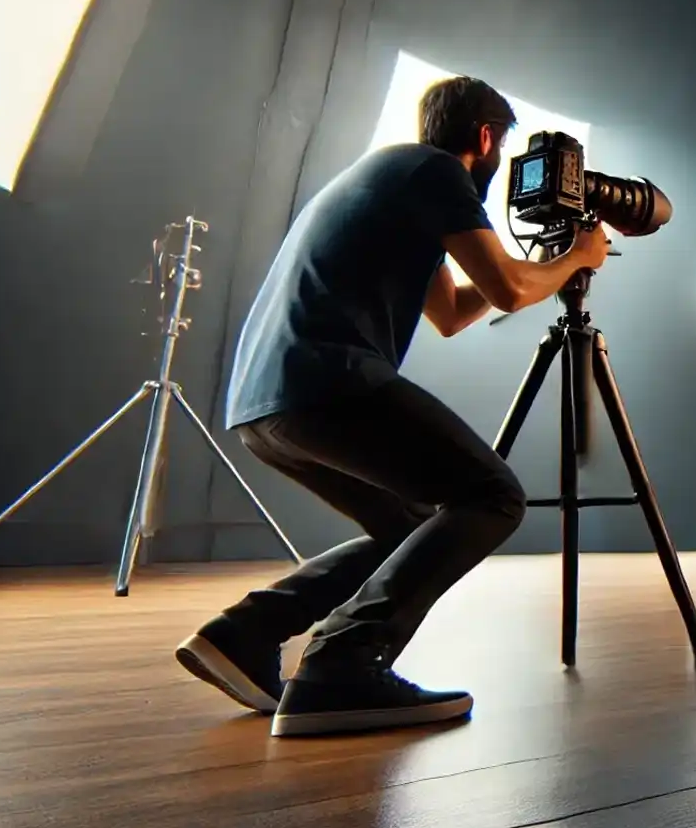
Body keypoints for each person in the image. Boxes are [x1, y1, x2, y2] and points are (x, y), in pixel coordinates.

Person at [175, 75, 610, 738]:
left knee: (407, 527)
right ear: (486, 138)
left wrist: (545, 268)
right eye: (501, 153)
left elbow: (454, 312)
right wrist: (577, 256)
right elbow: (506, 288)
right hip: (330, 381)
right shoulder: (438, 173)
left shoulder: (393, 176)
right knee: (492, 495)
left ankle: (245, 634)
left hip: (268, 404)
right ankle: (341, 669)